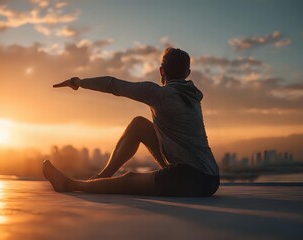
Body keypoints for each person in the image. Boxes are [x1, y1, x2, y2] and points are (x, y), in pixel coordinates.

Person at [44, 47, 220, 197]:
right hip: (211, 178)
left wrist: (78, 82)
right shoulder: (192, 96)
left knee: (129, 180)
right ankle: (101, 178)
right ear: (187, 74)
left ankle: (69, 185)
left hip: (191, 178)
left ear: (161, 71)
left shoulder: (160, 94)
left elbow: (112, 85)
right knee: (139, 125)